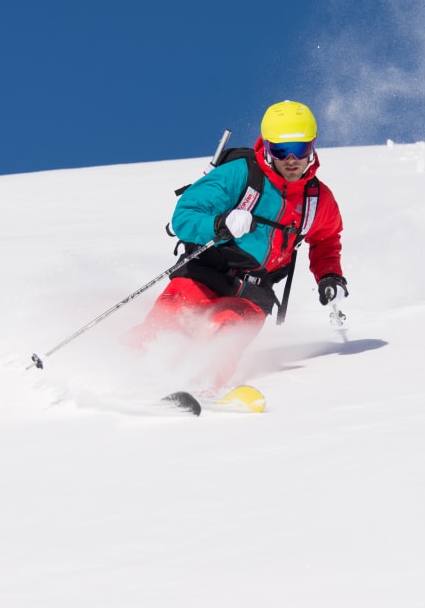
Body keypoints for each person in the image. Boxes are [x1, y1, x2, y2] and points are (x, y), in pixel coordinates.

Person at [130, 100, 347, 392]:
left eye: (300, 149)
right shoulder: (240, 175)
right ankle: (122, 377)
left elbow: (326, 239)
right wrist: (220, 223)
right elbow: (184, 216)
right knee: (166, 324)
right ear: (267, 148)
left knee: (225, 337)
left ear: (313, 147)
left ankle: (201, 391)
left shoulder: (317, 199)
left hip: (254, 293)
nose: (291, 159)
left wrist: (329, 276)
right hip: (204, 273)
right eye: (281, 150)